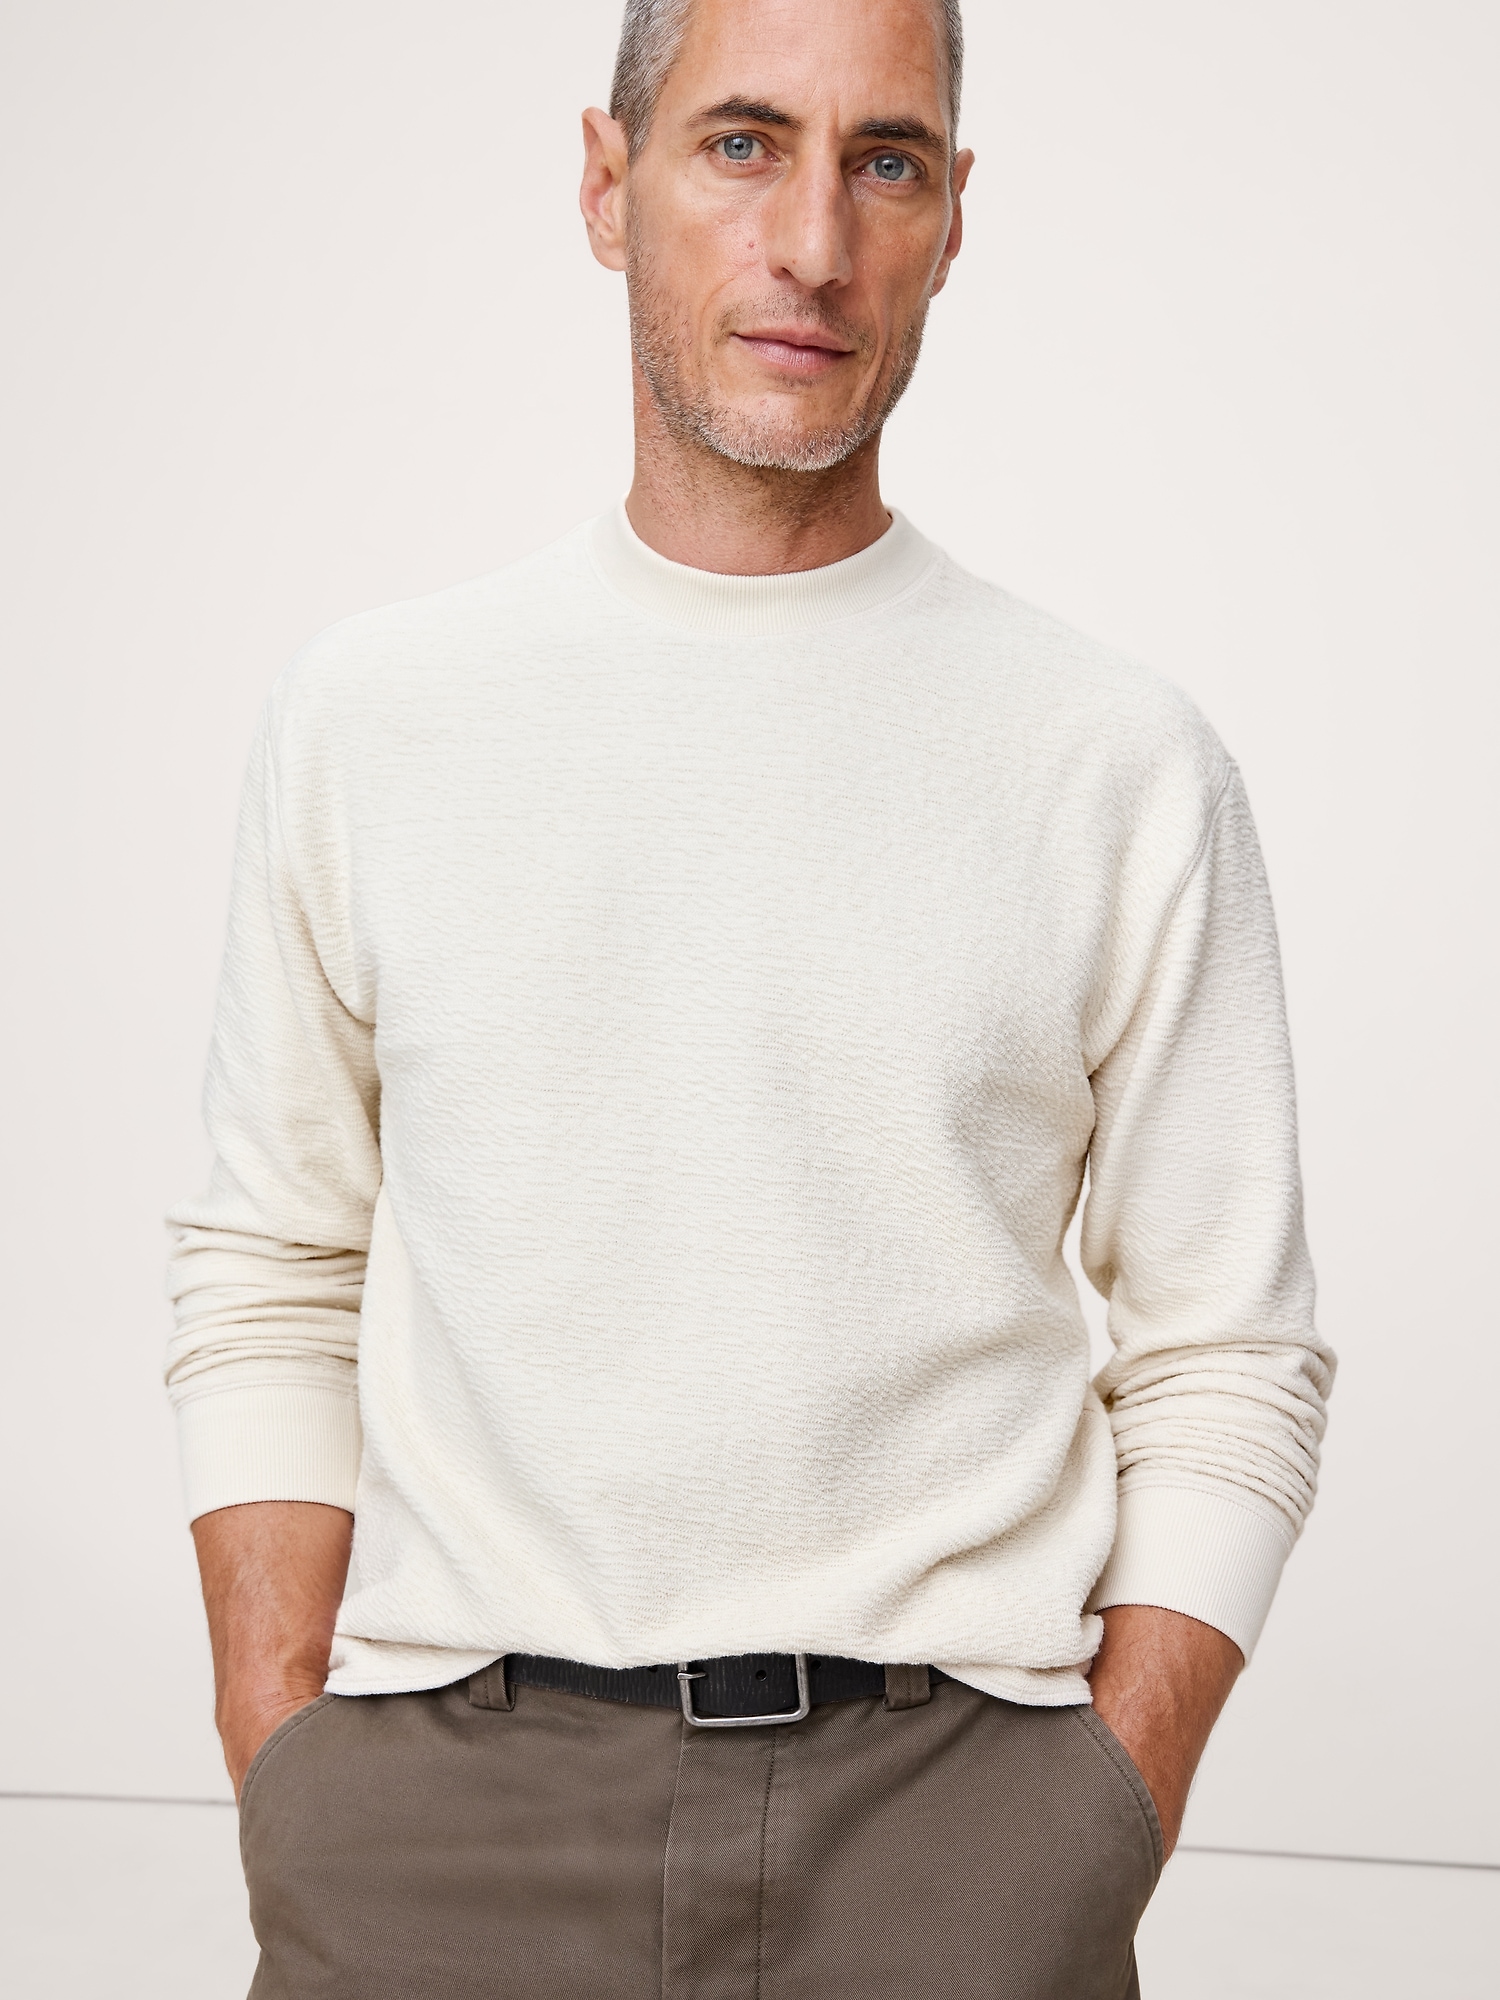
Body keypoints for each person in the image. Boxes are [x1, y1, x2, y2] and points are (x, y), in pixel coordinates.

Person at [166, 1, 1334, 1993]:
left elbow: (1228, 1346)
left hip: (959, 1826)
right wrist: (290, 1759)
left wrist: (1100, 1811)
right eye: (740, 143)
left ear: (953, 218)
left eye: (885, 161)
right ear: (604, 185)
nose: (812, 242)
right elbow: (272, 1264)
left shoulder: (1117, 761)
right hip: (443, 1825)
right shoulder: (375, 722)